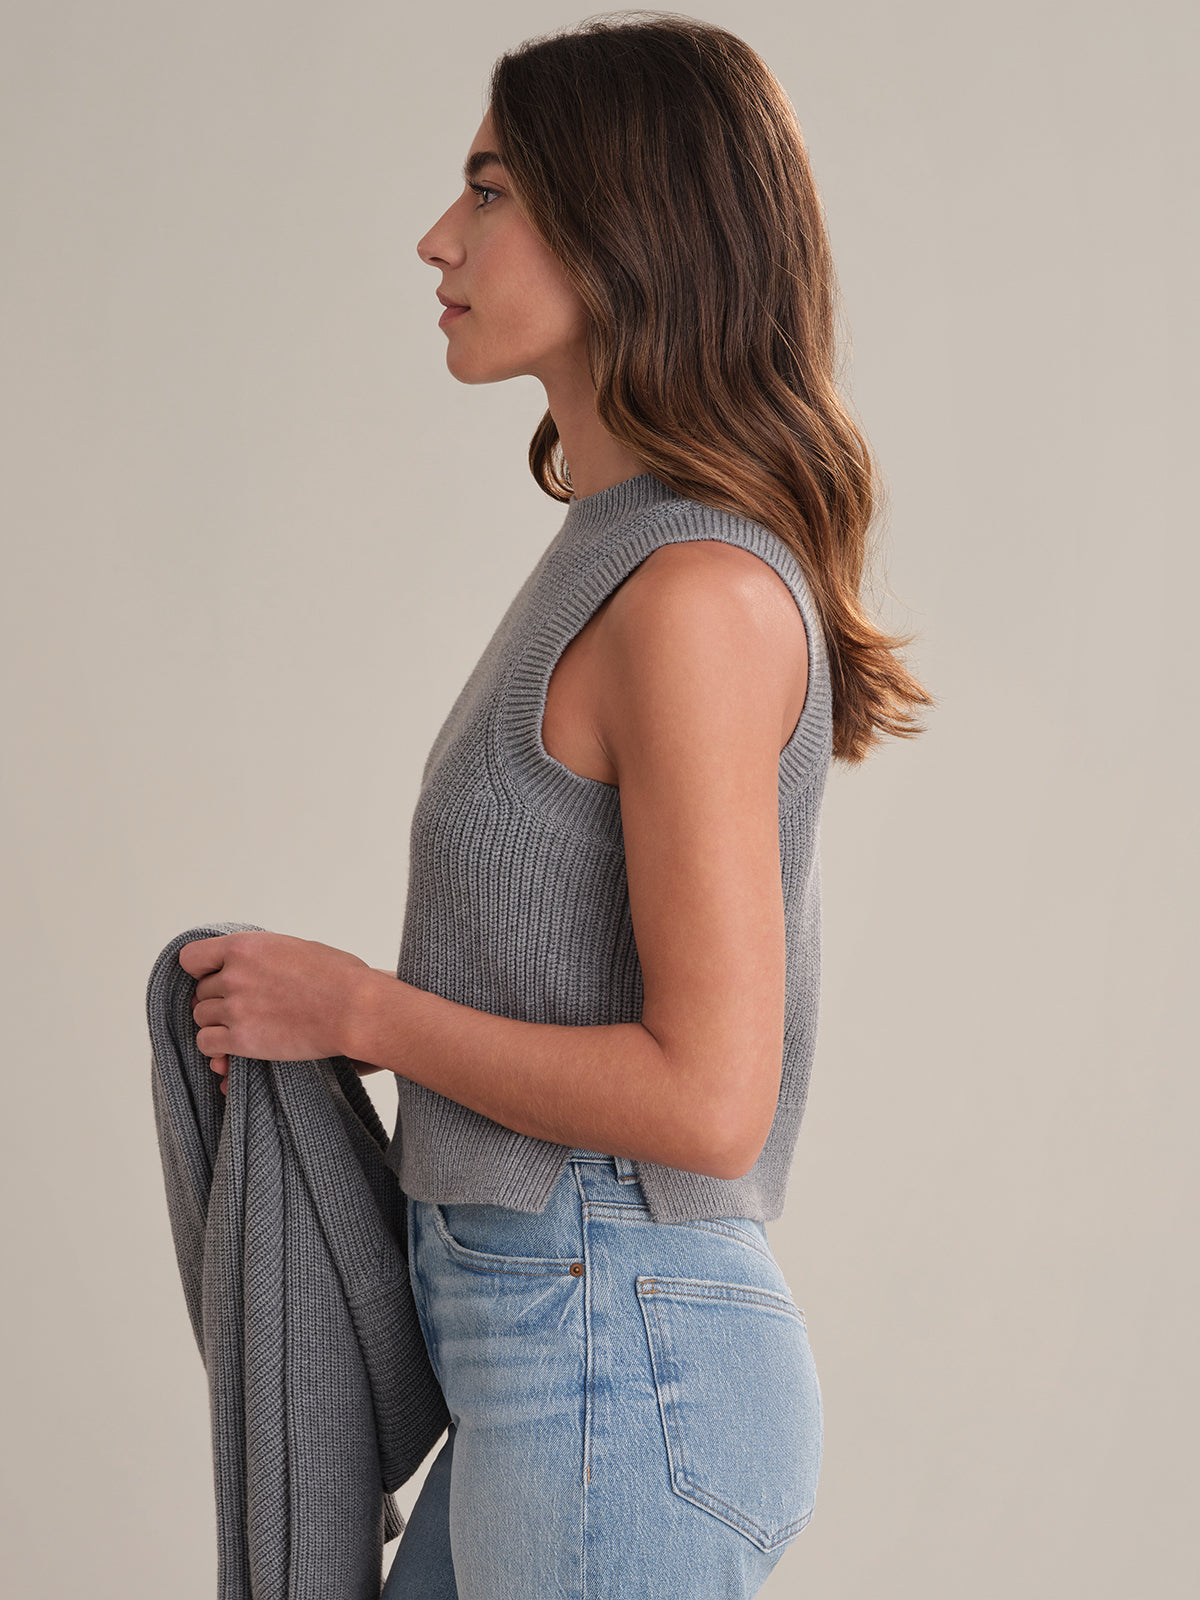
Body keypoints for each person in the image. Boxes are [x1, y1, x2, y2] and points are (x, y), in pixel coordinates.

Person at [180, 12, 933, 1598]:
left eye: (492, 190)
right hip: (550, 1358)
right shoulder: (614, 551)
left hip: (615, 1365)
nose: (437, 235)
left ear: (626, 225)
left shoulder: (696, 593)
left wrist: (360, 1014)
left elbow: (707, 1101)